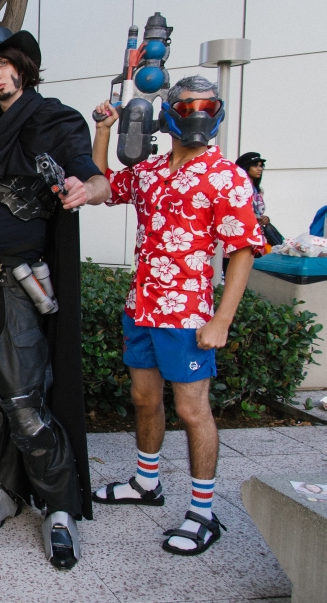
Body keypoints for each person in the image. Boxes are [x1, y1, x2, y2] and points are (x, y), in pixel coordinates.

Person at [0, 27, 110, 569]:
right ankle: (2, 489)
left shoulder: (54, 119)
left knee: (24, 406)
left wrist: (86, 188)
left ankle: (60, 508)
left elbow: (96, 179)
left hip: (18, 283)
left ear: (23, 66)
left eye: (2, 64)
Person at [90, 75, 264, 556]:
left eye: (207, 106)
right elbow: (103, 187)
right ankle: (147, 483)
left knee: (192, 410)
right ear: (168, 114)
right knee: (144, 399)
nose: (197, 115)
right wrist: (103, 130)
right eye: (186, 106)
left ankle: (203, 514)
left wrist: (222, 319)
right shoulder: (149, 170)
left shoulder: (226, 176)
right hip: (141, 307)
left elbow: (243, 249)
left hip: (188, 315)